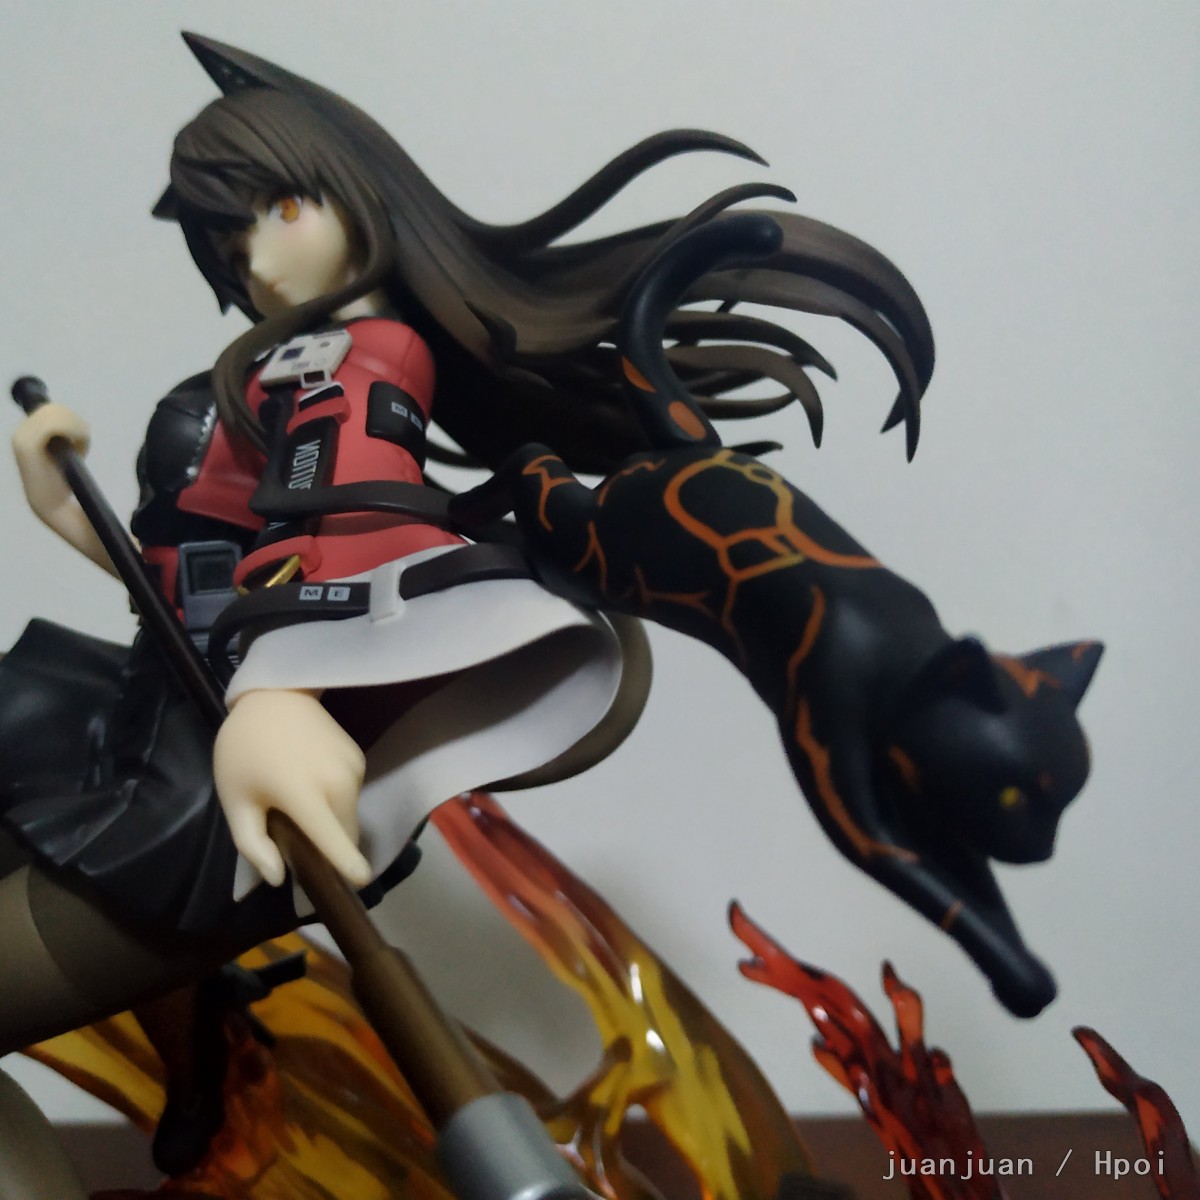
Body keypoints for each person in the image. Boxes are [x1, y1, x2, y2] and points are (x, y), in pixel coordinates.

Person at [0, 32, 934, 1187]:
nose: (257, 262)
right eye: (230, 242)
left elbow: (344, 520)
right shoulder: (284, 364)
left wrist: (281, 688)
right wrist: (62, 504)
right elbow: (188, 568)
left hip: (213, 792)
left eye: (277, 210)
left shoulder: (359, 362)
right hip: (149, 717)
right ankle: (201, 1041)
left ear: (354, 190)